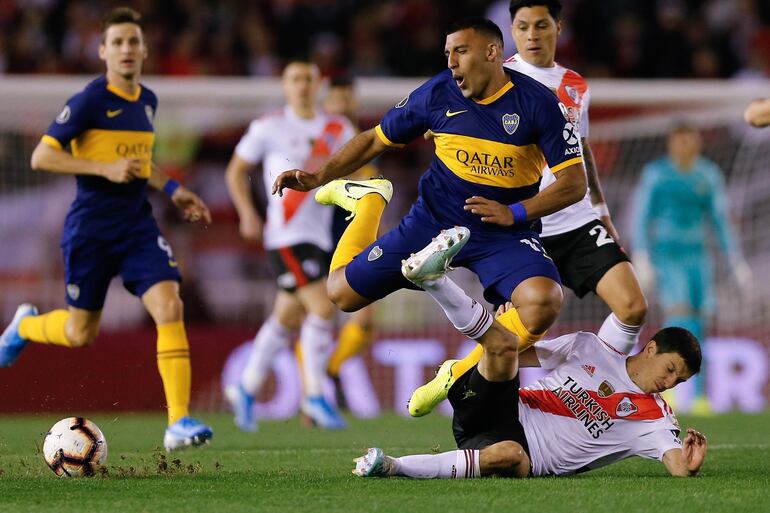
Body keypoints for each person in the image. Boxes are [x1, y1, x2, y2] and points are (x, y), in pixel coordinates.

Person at [273, 17, 588, 418]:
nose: (452, 62)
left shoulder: (539, 103)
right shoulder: (439, 92)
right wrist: (319, 176)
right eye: (447, 54)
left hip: (501, 231)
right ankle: (369, 202)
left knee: (544, 300)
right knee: (340, 295)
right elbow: (374, 138)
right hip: (432, 222)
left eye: (461, 51)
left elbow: (574, 183)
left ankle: (456, 371)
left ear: (492, 52)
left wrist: (514, 213)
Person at [409, 0, 649, 419]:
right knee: (511, 334)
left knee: (633, 307)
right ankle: (463, 376)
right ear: (510, 33)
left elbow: (581, 149)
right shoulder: (495, 77)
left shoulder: (575, 85)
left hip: (576, 219)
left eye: (541, 25)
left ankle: (595, 385)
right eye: (522, 27)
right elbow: (445, 119)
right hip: (521, 226)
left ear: (558, 27)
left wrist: (601, 207)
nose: (533, 35)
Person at [0, 7, 213, 451]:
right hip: (90, 230)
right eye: (117, 42)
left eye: (133, 41)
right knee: (81, 333)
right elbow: (43, 156)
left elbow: (139, 162)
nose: (127, 50)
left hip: (136, 226)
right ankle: (25, 328)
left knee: (169, 305)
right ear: (102, 51)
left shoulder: (147, 100)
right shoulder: (88, 101)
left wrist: (174, 188)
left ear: (145, 48)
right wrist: (103, 167)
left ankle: (178, 422)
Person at [353, 258, 706, 479]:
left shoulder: (653, 418)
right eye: (671, 369)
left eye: (680, 379)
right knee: (504, 343)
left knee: (509, 455)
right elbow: (519, 355)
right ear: (652, 348)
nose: (670, 382)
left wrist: (690, 465)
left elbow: (675, 465)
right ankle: (435, 281)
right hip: (499, 407)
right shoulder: (589, 347)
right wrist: (508, 329)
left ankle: (393, 466)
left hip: (524, 457)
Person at [224, 61, 355, 431]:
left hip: (321, 236)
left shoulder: (338, 128)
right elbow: (235, 170)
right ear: (284, 86)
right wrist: (247, 213)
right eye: (295, 79)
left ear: (320, 85)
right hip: (285, 236)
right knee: (323, 307)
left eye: (308, 79)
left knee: (286, 317)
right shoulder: (268, 127)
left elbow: (360, 168)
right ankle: (314, 395)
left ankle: (246, 388)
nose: (302, 86)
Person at [632, 122, 750, 415]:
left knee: (702, 324)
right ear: (671, 144)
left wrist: (735, 259)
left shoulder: (708, 175)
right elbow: (641, 217)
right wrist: (641, 255)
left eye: (690, 141)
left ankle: (699, 396)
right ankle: (665, 390)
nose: (685, 147)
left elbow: (721, 220)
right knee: (681, 317)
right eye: (680, 141)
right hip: (668, 255)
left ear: (697, 143)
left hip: (700, 256)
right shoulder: (656, 174)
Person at [321, 77, 379, 407]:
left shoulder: (366, 144)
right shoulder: (315, 145)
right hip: (320, 239)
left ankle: (331, 368)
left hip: (356, 240)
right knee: (316, 319)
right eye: (336, 100)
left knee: (365, 322)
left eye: (347, 100)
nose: (342, 107)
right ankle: (311, 396)